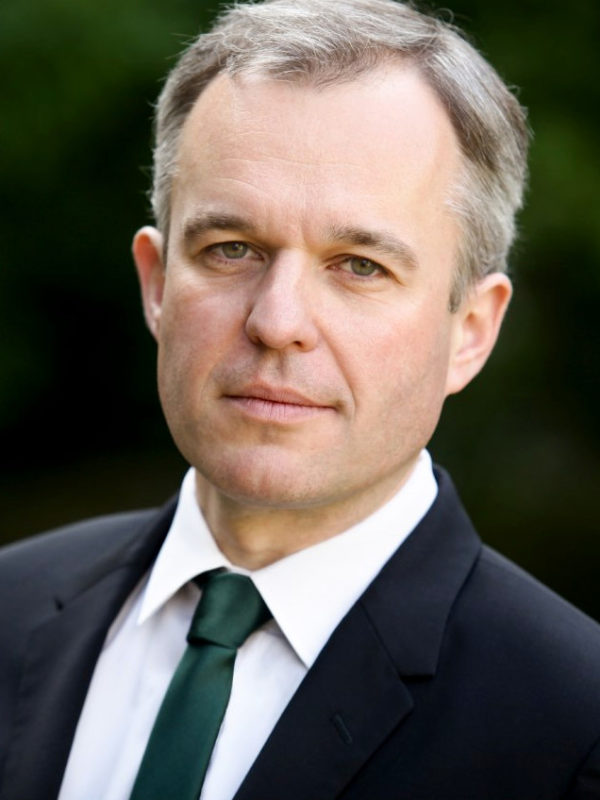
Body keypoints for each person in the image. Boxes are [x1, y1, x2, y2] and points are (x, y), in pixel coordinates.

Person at [1, 0, 599, 798]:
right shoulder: (7, 609)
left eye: (359, 266)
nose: (277, 322)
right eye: (232, 249)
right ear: (157, 285)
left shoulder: (573, 729)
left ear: (471, 331)